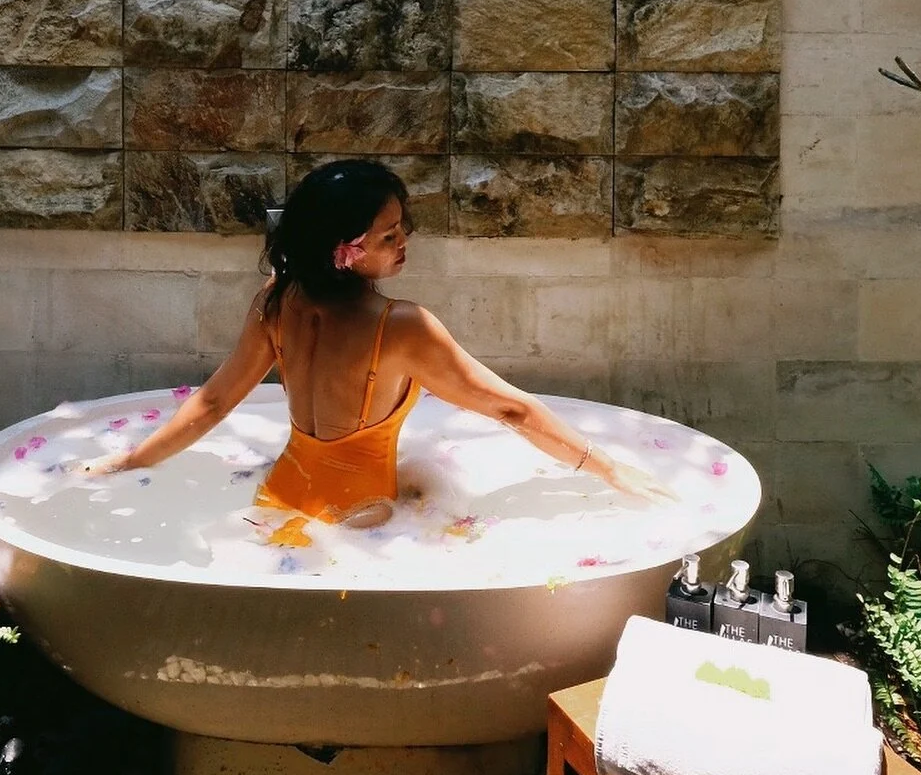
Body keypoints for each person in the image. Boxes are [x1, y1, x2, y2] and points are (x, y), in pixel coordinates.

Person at [82, 159, 673, 527]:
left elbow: (213, 403)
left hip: (278, 498)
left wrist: (127, 461)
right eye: (389, 234)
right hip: (361, 523)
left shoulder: (275, 299)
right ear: (347, 249)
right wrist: (613, 471)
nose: (404, 240)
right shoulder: (402, 327)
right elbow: (511, 408)